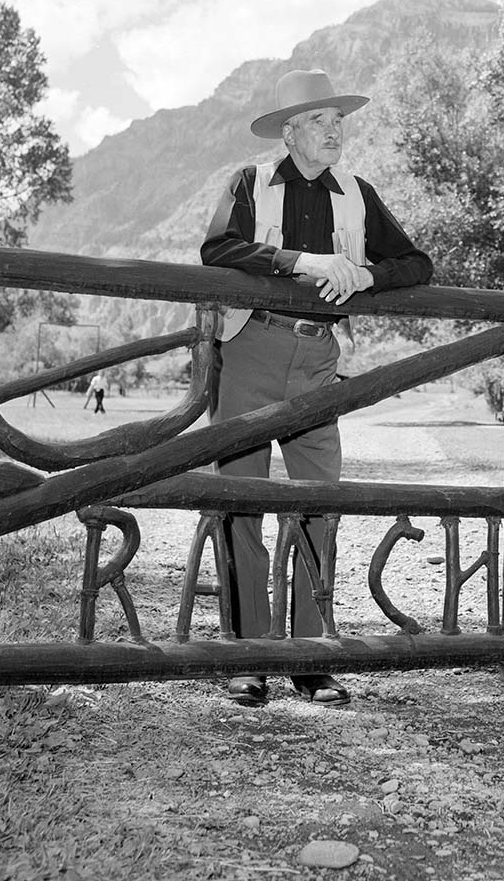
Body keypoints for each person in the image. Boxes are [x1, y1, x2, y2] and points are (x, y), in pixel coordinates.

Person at [200, 67, 433, 708]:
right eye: (321, 121)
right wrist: (300, 263)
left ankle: (307, 658)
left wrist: (365, 277)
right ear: (291, 131)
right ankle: (246, 657)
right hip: (251, 347)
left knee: (318, 497)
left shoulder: (359, 192)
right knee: (240, 497)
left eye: (340, 120)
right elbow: (217, 250)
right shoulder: (249, 183)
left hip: (318, 357)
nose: (335, 131)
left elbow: (417, 263)